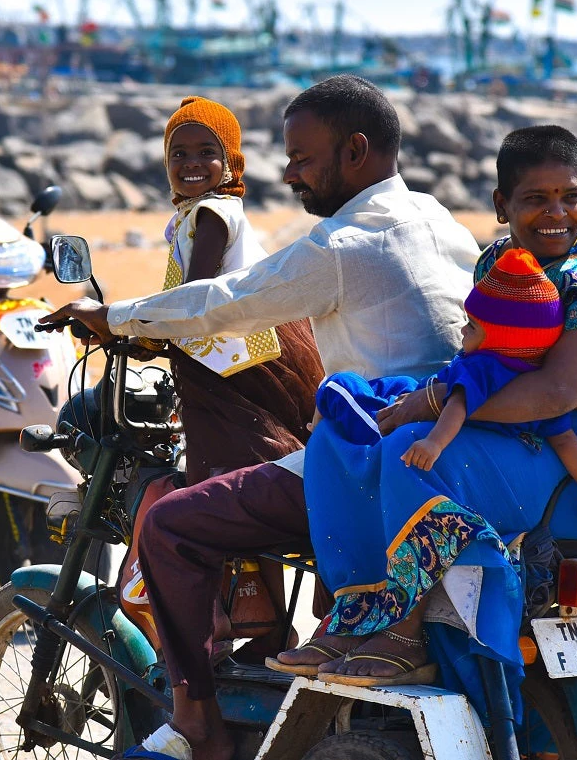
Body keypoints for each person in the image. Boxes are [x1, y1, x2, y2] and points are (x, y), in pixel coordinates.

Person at [41, 74, 481, 760]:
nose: (289, 172)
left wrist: (113, 316)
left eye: (302, 157)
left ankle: (196, 721)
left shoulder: (342, 244)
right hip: (459, 452)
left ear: (355, 150)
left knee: (169, 523)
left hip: (369, 459)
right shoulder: (437, 219)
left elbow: (227, 301)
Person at [295, 125, 577, 721]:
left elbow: (554, 395)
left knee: (413, 447)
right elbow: (483, 362)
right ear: (501, 205)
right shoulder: (499, 266)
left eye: (570, 196)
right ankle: (355, 613)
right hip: (510, 438)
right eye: (535, 199)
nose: (556, 213)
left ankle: (404, 632)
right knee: (343, 428)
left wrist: (434, 405)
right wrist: (425, 398)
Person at [132, 95, 323, 663]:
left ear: (231, 161)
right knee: (234, 485)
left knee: (224, 489)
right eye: (179, 153)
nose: (192, 163)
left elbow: (197, 297)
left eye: (206, 152)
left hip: (237, 372)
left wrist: (134, 323)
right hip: (220, 362)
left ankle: (238, 632)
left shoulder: (214, 213)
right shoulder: (196, 215)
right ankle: (262, 626)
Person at [313, 247, 577, 527]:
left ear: (500, 339)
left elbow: (457, 404)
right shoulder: (532, 383)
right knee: (401, 384)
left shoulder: (481, 367)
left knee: (340, 386)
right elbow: (565, 440)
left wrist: (434, 444)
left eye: (471, 326)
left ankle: (324, 413)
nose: (462, 330)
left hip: (406, 426)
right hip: (432, 400)